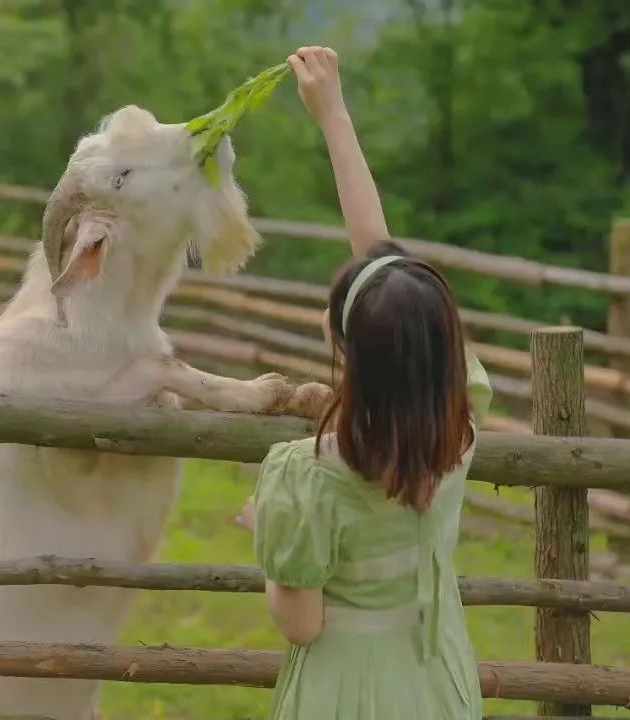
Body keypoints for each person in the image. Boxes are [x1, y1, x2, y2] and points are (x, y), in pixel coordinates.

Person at [235, 46, 494, 719]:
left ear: (351, 352)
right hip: (436, 680)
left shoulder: (310, 474)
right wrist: (334, 114)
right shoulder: (458, 426)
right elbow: (380, 259)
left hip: (344, 696)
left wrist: (268, 530)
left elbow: (300, 623)